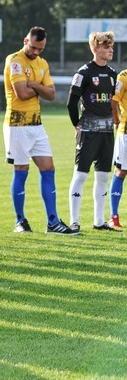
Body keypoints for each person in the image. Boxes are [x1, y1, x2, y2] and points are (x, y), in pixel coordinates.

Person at [3, 26, 76, 235]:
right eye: (34, 47)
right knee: (21, 171)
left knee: (48, 169)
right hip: (17, 125)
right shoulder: (14, 60)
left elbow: (52, 94)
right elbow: (21, 93)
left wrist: (33, 84)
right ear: (25, 40)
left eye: (40, 49)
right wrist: (38, 88)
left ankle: (53, 222)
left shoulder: (43, 63)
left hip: (37, 125)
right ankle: (20, 221)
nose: (36, 52)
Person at [67, 31, 119, 232]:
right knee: (80, 175)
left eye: (111, 46)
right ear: (95, 48)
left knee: (104, 176)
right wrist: (77, 126)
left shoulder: (113, 74)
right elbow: (71, 104)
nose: (110, 50)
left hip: (107, 133)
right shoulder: (83, 73)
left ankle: (99, 221)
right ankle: (74, 221)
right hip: (88, 132)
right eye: (106, 47)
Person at [110, 65, 127, 228]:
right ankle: (114, 216)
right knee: (121, 171)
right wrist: (116, 121)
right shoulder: (123, 76)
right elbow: (113, 101)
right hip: (126, 131)